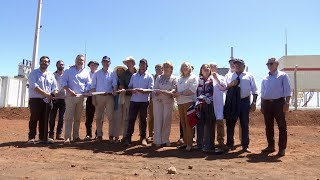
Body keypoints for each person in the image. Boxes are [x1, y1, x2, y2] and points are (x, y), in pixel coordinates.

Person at [224, 59, 258, 153]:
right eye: (235, 65)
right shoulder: (229, 76)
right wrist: (231, 84)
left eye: (239, 65)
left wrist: (254, 102)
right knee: (230, 123)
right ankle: (229, 144)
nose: (237, 66)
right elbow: (224, 88)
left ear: (244, 66)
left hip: (244, 101)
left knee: (244, 123)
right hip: (232, 102)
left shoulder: (249, 76)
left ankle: (245, 145)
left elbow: (255, 90)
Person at [261, 57, 291, 156]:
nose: (269, 65)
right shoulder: (265, 78)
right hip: (266, 104)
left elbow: (287, 90)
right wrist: (262, 105)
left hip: (279, 103)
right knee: (268, 126)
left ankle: (282, 148)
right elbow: (263, 93)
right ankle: (270, 146)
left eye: (271, 63)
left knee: (282, 126)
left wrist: (287, 103)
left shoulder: (283, 76)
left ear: (277, 64)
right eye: (267, 64)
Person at [27, 56, 58, 144]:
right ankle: (31, 138)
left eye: (46, 62)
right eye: (43, 61)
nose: (44, 63)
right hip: (36, 100)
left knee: (44, 119)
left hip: (47, 101)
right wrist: (46, 94)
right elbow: (34, 86)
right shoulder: (34, 73)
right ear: (40, 62)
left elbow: (55, 87)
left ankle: (42, 138)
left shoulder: (51, 74)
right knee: (34, 118)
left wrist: (54, 92)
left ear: (49, 63)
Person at [61, 54, 91, 144]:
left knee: (77, 118)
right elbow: (63, 82)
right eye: (78, 59)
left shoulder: (86, 72)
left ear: (84, 62)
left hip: (81, 97)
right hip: (70, 97)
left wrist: (86, 90)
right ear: (75, 60)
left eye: (82, 60)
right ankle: (67, 137)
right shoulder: (68, 70)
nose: (80, 61)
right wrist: (69, 91)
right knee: (69, 117)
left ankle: (76, 136)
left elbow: (88, 82)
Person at [124, 58, 154, 146]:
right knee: (131, 119)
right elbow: (129, 87)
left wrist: (142, 91)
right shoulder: (134, 76)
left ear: (147, 66)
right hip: (134, 101)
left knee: (143, 120)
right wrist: (131, 90)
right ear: (139, 65)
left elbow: (150, 90)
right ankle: (128, 138)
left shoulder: (149, 76)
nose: (142, 66)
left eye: (144, 64)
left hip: (144, 101)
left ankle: (143, 138)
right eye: (141, 64)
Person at [90, 56, 117, 142]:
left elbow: (115, 84)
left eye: (107, 62)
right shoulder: (97, 73)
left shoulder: (113, 73)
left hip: (109, 97)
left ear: (110, 63)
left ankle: (111, 136)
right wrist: (93, 98)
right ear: (102, 63)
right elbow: (93, 86)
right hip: (99, 97)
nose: (106, 63)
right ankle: (99, 135)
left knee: (111, 117)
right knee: (98, 117)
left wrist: (115, 90)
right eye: (104, 61)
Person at [173, 62, 198, 151]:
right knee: (183, 122)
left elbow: (192, 90)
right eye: (183, 66)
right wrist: (174, 91)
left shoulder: (193, 77)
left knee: (189, 123)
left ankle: (190, 144)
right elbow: (177, 88)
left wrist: (180, 93)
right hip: (180, 102)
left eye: (186, 66)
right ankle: (186, 142)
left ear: (190, 67)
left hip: (189, 102)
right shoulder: (180, 78)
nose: (185, 68)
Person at [152, 61, 176, 147]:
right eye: (164, 66)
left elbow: (174, 88)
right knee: (158, 120)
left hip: (168, 101)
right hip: (158, 101)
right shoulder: (159, 77)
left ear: (171, 68)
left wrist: (170, 92)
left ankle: (165, 139)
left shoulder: (174, 78)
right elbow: (155, 88)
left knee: (167, 120)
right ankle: (157, 140)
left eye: (167, 66)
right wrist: (157, 93)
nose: (166, 68)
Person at [196, 64, 215, 152]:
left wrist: (206, 99)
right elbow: (196, 92)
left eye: (208, 67)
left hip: (209, 105)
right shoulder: (198, 80)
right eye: (204, 67)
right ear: (201, 70)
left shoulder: (213, 80)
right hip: (199, 105)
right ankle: (199, 144)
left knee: (209, 126)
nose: (206, 69)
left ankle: (208, 145)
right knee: (199, 125)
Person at [119, 56, 137, 142]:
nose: (128, 64)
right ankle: (125, 135)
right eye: (127, 62)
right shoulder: (124, 74)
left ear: (133, 63)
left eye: (129, 62)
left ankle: (142, 136)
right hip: (128, 96)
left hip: (138, 97)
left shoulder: (138, 72)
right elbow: (121, 84)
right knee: (126, 116)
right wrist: (122, 88)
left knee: (140, 117)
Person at [209, 62, 227, 147]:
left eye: (214, 67)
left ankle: (220, 141)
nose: (212, 68)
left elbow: (223, 88)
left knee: (219, 122)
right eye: (210, 67)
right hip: (209, 103)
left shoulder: (222, 77)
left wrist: (217, 79)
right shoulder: (207, 78)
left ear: (217, 68)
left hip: (219, 103)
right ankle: (210, 141)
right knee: (210, 123)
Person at [48, 60, 66, 141]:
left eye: (62, 64)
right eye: (60, 64)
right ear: (56, 65)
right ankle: (51, 134)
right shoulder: (52, 75)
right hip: (54, 98)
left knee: (62, 117)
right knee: (52, 117)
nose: (61, 65)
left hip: (64, 98)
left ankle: (59, 134)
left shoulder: (66, 74)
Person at [147, 64, 163, 141]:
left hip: (162, 101)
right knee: (151, 118)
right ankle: (151, 134)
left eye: (159, 68)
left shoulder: (164, 78)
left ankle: (161, 134)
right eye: (156, 68)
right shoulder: (152, 77)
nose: (158, 70)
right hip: (152, 100)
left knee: (161, 118)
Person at [84, 60, 99, 141]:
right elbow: (85, 85)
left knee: (99, 117)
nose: (93, 66)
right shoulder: (86, 74)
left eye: (95, 65)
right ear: (89, 66)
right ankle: (88, 134)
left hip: (99, 97)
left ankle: (98, 134)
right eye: (92, 65)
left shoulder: (99, 74)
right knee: (89, 116)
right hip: (89, 97)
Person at [112, 65, 128, 143]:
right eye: (118, 70)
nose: (120, 72)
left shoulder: (126, 79)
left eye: (122, 70)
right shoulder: (114, 79)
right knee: (117, 117)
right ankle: (116, 135)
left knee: (125, 117)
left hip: (125, 99)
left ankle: (124, 135)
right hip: (116, 100)